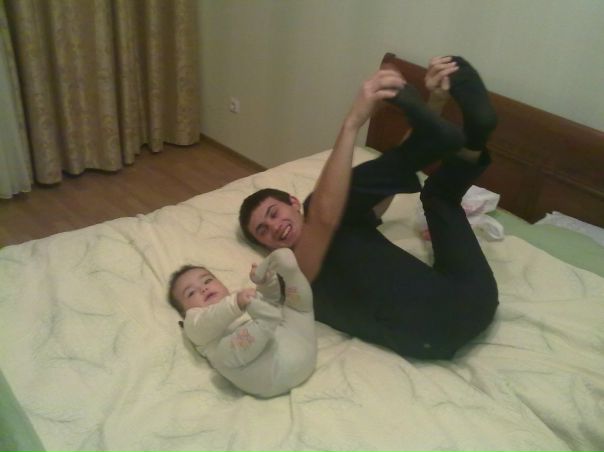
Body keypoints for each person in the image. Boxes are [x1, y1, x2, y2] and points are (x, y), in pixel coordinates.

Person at [239, 56, 499, 360]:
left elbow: (393, 173)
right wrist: (352, 123)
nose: (274, 227)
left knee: (438, 196)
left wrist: (436, 101)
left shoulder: (348, 221)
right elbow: (322, 216)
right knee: (323, 204)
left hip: (474, 295)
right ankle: (434, 140)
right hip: (431, 329)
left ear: (291, 204)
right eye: (263, 231)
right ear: (266, 248)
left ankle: (476, 136)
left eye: (273, 214)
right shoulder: (291, 276)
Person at [167, 248, 316, 397]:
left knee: (296, 310)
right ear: (184, 313)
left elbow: (271, 302)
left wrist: (266, 282)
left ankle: (291, 273)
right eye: (191, 293)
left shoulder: (242, 298)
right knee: (223, 355)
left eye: (207, 281)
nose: (203, 288)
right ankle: (264, 323)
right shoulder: (194, 323)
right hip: (265, 373)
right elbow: (208, 321)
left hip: (300, 348)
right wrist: (235, 304)